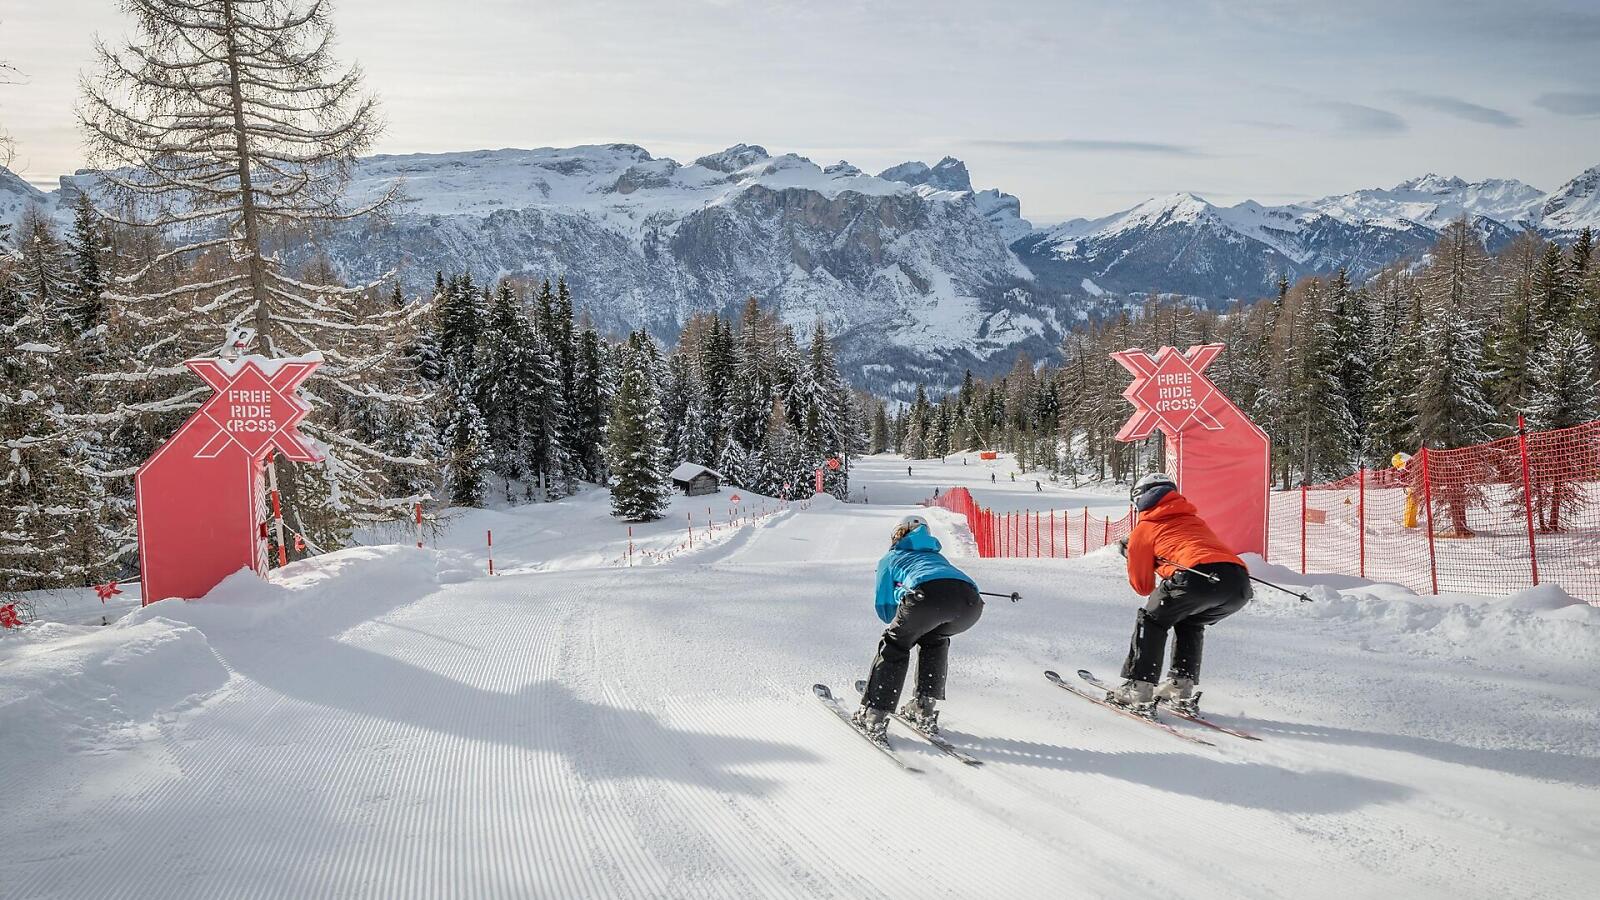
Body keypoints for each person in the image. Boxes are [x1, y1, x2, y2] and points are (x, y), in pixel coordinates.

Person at [1110, 473, 1252, 712]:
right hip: (1238, 583)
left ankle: (1139, 687)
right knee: (1190, 620)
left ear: (1140, 498)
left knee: (1151, 620)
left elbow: (1142, 586)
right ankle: (1180, 685)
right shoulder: (1194, 521)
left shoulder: (1145, 528)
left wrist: (1132, 554)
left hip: (1195, 578)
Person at [854, 516, 983, 740]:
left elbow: (885, 611)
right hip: (970, 602)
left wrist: (904, 609)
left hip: (924, 596)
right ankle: (924, 707)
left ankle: (874, 713)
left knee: (895, 644)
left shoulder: (891, 558)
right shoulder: (937, 556)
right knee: (934, 640)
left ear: (896, 536)